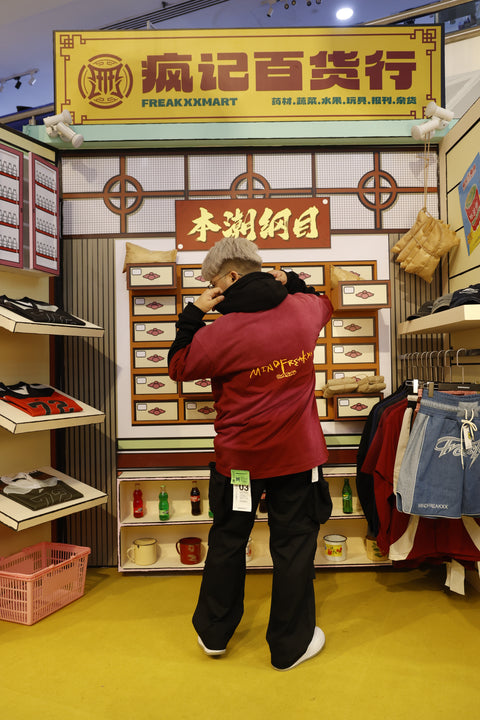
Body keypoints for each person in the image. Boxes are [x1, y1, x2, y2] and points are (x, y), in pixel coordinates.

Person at [168, 236, 333, 670]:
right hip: (298, 460)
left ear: (232, 277)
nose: (212, 290)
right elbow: (324, 304)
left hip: (239, 464)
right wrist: (293, 280)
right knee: (294, 546)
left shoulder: (218, 333)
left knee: (228, 540)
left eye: (213, 283)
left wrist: (192, 312)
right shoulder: (303, 311)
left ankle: (214, 634)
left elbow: (179, 367)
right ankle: (289, 646)